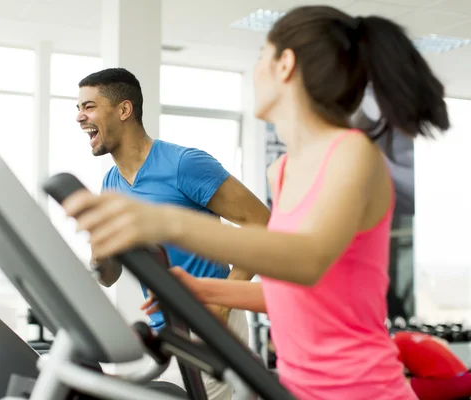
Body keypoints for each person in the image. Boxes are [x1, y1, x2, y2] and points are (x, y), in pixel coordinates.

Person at [63, 5, 450, 399]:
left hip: (361, 390)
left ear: (285, 65)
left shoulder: (352, 153)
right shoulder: (282, 170)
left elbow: (307, 260)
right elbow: (292, 289)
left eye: (260, 56)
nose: (254, 71)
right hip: (298, 386)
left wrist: (164, 222)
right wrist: (201, 290)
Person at [75, 67, 271, 399]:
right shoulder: (111, 183)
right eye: (78, 108)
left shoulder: (185, 164)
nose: (80, 117)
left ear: (124, 110)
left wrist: (221, 307)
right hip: (164, 330)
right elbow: (110, 276)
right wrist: (99, 255)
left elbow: (262, 223)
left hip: (210, 321)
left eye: (89, 106)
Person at [393, 330, 471, 400]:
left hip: (450, 384)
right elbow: (444, 342)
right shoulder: (411, 335)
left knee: (397, 385)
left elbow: (392, 375)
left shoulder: (394, 342)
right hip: (466, 378)